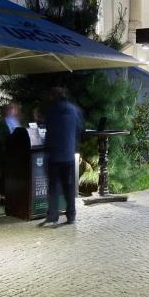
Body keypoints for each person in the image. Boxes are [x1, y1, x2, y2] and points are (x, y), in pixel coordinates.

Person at [42, 87, 83, 227]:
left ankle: (53, 215)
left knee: (53, 187)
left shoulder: (51, 111)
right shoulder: (74, 110)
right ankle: (71, 215)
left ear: (54, 97)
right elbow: (79, 129)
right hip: (68, 155)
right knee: (69, 187)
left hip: (53, 155)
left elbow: (47, 131)